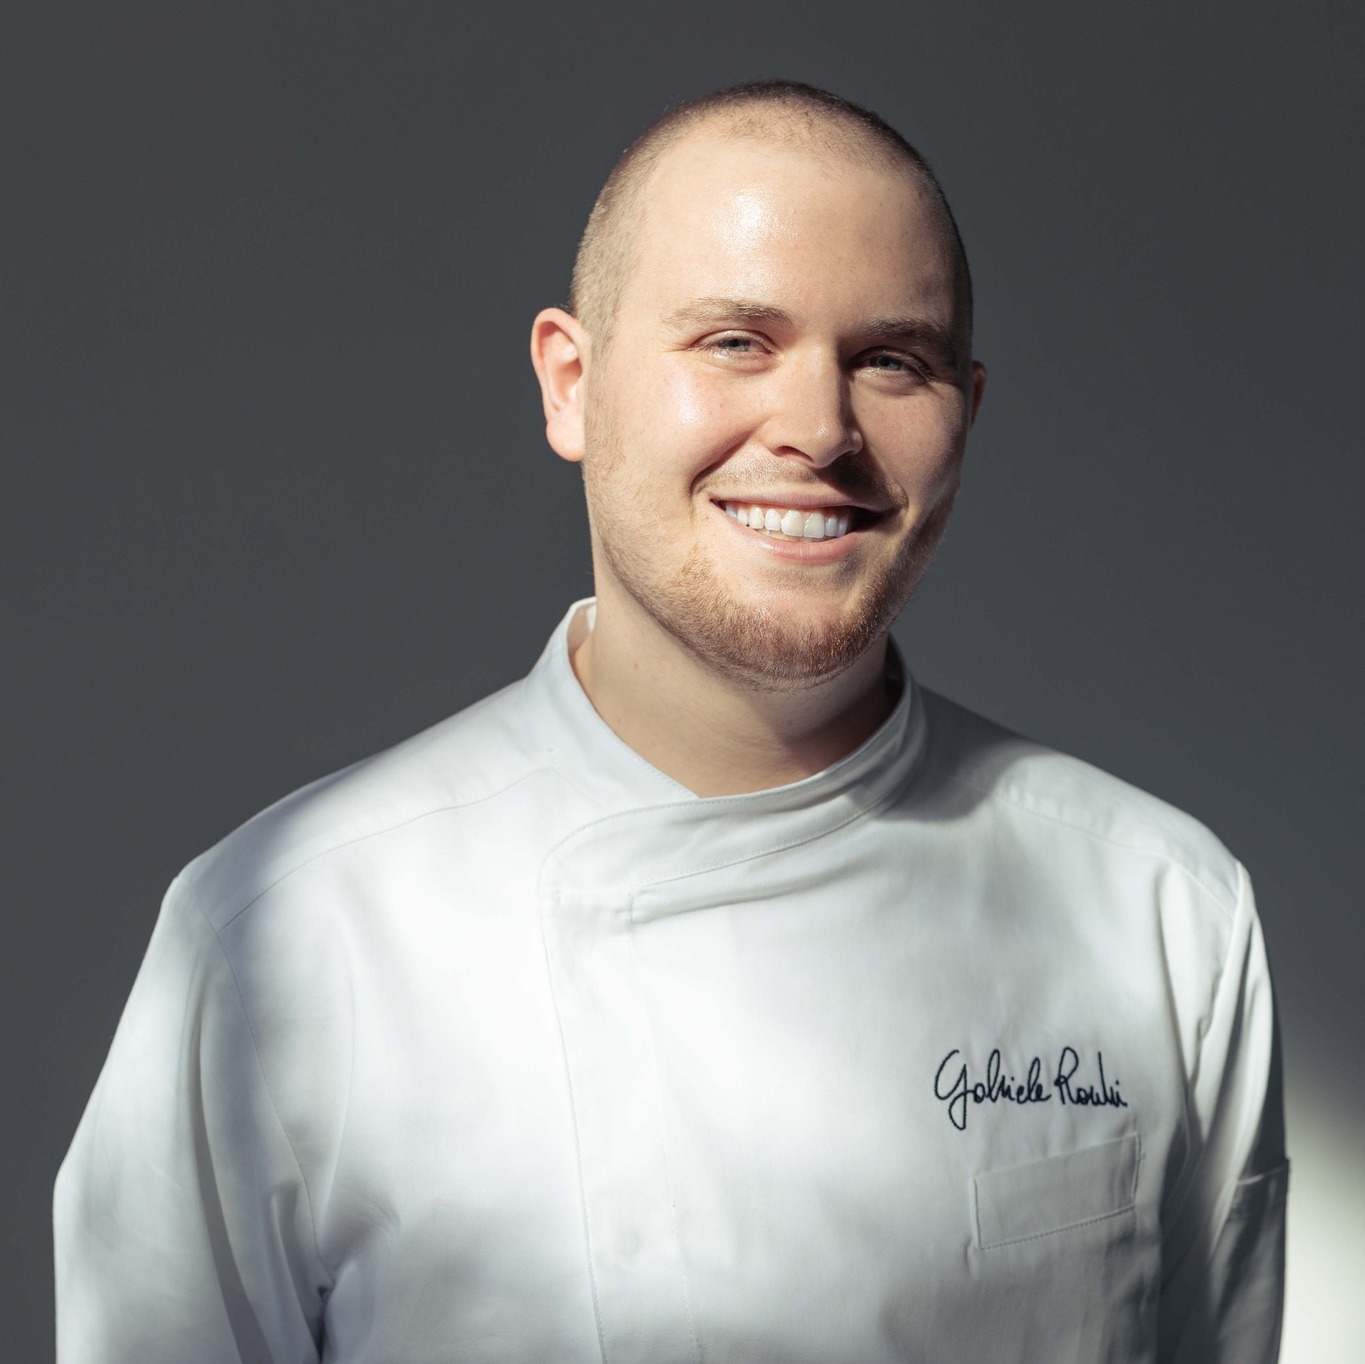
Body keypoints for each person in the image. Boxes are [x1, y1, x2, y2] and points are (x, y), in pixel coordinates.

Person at [54, 80, 1288, 1363]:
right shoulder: (288, 935)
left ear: (965, 413)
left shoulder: (1162, 908)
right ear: (571, 385)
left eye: (890, 360)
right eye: (736, 342)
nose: (818, 430)